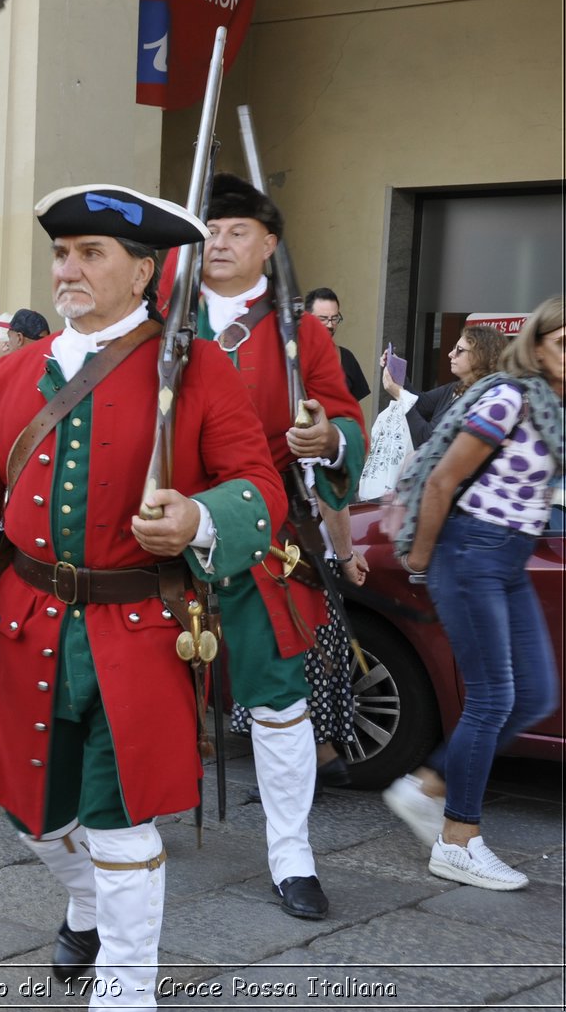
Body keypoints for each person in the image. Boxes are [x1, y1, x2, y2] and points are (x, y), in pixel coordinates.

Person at [0, 184, 285, 1005]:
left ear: (143, 271)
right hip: (25, 620)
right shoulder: (18, 371)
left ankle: (125, 988)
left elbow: (261, 486)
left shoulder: (196, 367)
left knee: (120, 820)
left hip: (139, 627)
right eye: (62, 252)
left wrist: (200, 516)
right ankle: (86, 901)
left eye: (90, 253)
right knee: (31, 814)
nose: (67, 269)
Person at [197, 173, 367, 921]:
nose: (220, 243)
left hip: (269, 534)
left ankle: (290, 850)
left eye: (236, 231)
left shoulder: (305, 334)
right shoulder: (160, 321)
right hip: (162, 530)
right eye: (209, 230)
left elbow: (346, 421)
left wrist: (327, 439)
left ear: (268, 243)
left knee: (278, 701)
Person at [384, 294, 566, 890]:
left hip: (508, 557)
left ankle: (427, 786)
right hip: (471, 550)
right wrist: (422, 562)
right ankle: (458, 839)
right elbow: (444, 478)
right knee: (494, 697)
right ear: (537, 343)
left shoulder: (555, 407)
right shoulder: (510, 396)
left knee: (536, 694)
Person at [386, 323, 508, 448]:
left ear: (481, 356)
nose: (451, 354)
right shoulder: (457, 387)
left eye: (459, 350)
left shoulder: (478, 400)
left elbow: (427, 438)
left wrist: (400, 395)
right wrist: (397, 371)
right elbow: (420, 403)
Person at [305, 287, 370, 403]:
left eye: (334, 318)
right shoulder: (294, 359)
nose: (330, 325)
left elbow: (352, 412)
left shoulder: (347, 358)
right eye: (323, 319)